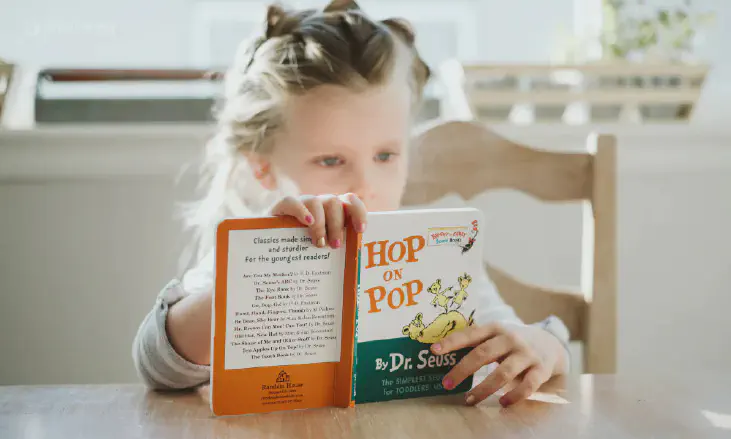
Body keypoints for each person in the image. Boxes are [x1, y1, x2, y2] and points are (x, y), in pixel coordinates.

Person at [132, 0, 570, 408]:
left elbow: (531, 342)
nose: (364, 185)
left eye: (385, 156)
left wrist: (543, 348)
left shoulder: (438, 255)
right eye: (330, 160)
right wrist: (254, 276)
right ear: (263, 168)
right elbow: (158, 366)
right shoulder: (250, 252)